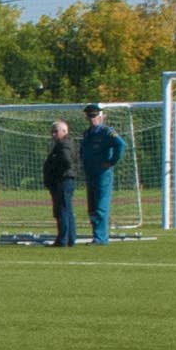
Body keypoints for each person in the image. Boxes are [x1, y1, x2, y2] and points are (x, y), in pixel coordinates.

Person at [78, 103, 124, 245]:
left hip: (102, 174)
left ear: (102, 116)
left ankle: (101, 238)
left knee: (100, 206)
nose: (92, 119)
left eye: (94, 116)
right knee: (91, 206)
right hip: (90, 172)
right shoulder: (87, 133)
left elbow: (121, 145)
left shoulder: (106, 132)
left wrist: (111, 161)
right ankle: (96, 235)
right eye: (89, 116)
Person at [41, 119, 77, 246]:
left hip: (63, 180)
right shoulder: (63, 144)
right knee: (66, 209)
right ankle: (70, 238)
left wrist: (55, 172)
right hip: (64, 180)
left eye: (56, 131)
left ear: (64, 131)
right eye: (53, 132)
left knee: (62, 210)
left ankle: (63, 239)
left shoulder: (64, 144)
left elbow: (66, 161)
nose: (53, 134)